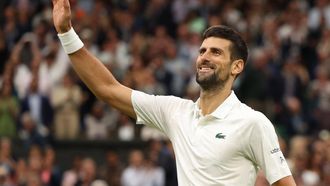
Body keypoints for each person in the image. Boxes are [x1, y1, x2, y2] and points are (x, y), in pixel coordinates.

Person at [51, 0, 296, 185]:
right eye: (202, 51)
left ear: (237, 66)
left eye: (216, 52)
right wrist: (66, 33)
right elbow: (108, 89)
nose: (205, 57)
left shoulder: (253, 123)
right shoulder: (176, 112)